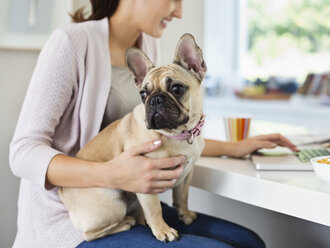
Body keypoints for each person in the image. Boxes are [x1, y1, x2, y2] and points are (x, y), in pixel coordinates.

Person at [9, 0, 298, 247]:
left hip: (133, 203)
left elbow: (166, 138)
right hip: (73, 216)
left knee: (247, 242)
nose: (178, 12)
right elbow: (22, 153)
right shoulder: (71, 43)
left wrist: (236, 147)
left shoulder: (149, 46)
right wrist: (111, 175)